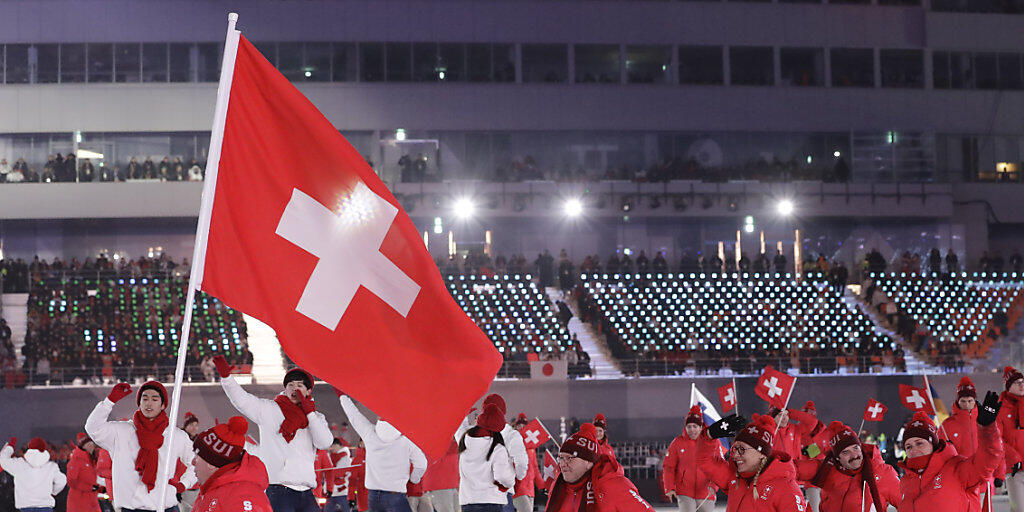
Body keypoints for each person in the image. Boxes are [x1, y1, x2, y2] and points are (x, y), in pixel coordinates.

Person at [213, 356, 332, 512]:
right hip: (279, 490)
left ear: (309, 390)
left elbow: (324, 442)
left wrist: (310, 413)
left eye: (300, 385)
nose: (294, 389)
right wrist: (227, 378)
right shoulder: (270, 409)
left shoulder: (316, 418)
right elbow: (242, 401)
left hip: (307, 492)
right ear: (285, 388)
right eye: (290, 384)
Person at [85, 381, 196, 512]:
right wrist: (109, 401)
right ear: (139, 403)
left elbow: (196, 462)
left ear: (163, 405)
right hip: (131, 508)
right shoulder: (121, 431)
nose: (149, 403)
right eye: (145, 399)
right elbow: (93, 428)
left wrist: (183, 484)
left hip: (166, 507)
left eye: (154, 399)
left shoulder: (174, 435)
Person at [899, 391, 1003, 510]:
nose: (914, 449)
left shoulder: (957, 470)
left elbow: (988, 459)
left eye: (920, 443)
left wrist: (987, 429)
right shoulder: (906, 481)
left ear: (933, 444)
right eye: (909, 446)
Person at [336, 388, 427, 512]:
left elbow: (353, 415)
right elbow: (421, 464)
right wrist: (413, 479)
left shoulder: (369, 433)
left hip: (373, 496)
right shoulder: (405, 439)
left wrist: (342, 395)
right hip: (396, 494)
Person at [698, 413, 807, 512]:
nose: (735, 455)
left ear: (761, 453)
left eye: (742, 450)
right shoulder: (735, 478)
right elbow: (704, 460)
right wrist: (709, 435)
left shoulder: (786, 489)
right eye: (735, 449)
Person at [544, 423, 653, 512]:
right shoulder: (558, 487)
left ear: (589, 462)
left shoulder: (614, 486)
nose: (562, 464)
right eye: (561, 458)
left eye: (569, 458)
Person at [793, 421, 899, 512]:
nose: (854, 455)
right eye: (845, 452)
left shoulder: (882, 472)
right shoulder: (828, 468)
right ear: (837, 458)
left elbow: (906, 503)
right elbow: (791, 468)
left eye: (855, 448)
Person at [190, 416, 272, 512]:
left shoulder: (241, 498)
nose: (192, 462)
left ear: (211, 464)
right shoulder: (215, 489)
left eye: (197, 456)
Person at [941, 377, 995, 512]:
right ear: (957, 401)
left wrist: (999, 474)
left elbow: (994, 447)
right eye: (963, 401)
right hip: (958, 480)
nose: (966, 404)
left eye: (970, 401)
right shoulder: (947, 426)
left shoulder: (984, 422)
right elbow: (941, 455)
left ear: (975, 401)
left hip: (983, 479)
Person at [459, 404, 516, 512]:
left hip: (468, 502)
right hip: (491, 502)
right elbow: (503, 477)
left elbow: (459, 429)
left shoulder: (464, 441)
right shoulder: (497, 448)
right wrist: (510, 478)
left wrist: (463, 416)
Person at [663, 406, 717, 512]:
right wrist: (669, 488)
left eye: (695, 426)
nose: (692, 429)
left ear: (701, 427)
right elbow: (668, 467)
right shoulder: (678, 442)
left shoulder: (712, 442)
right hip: (685, 492)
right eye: (689, 426)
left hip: (706, 492)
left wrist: (714, 486)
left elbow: (718, 466)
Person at [0, 437, 67, 512]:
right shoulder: (51, 467)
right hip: (45, 506)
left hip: (25, 507)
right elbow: (62, 481)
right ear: (44, 449)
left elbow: (3, 460)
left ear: (29, 448)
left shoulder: (19, 464)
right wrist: (53, 492)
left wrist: (10, 446)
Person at [1000, 366, 1024, 512]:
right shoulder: (1001, 408)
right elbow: (997, 439)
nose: (1022, 385)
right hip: (1015, 470)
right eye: (1017, 383)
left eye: (1023, 381)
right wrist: (1013, 458)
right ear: (1008, 386)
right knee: (1019, 509)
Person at [511, 414, 546, 512]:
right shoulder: (513, 442)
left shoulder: (531, 447)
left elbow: (535, 468)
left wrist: (542, 485)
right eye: (519, 424)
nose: (522, 427)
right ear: (516, 426)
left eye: (524, 424)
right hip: (518, 488)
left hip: (530, 489)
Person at [67, 433, 104, 512]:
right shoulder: (76, 460)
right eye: (88, 445)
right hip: (79, 502)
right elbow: (71, 481)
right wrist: (90, 488)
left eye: (92, 444)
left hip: (92, 501)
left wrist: (100, 488)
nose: (91, 447)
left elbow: (91, 479)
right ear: (83, 446)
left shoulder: (92, 460)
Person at [421, 439, 459, 512]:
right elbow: (456, 448)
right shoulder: (439, 439)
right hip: (440, 484)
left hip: (449, 483)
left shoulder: (448, 438)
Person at [180, 413, 202, 512]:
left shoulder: (200, 441)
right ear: (186, 426)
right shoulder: (179, 440)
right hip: (182, 487)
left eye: (196, 425)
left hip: (197, 486)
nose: (194, 428)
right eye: (191, 425)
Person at [325, 439, 353, 512]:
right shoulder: (331, 456)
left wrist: (330, 474)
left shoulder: (344, 457)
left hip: (342, 490)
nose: (331, 448)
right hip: (332, 491)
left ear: (337, 445)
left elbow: (340, 473)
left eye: (332, 446)